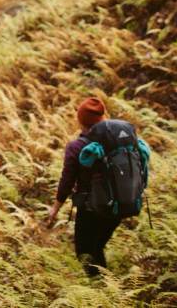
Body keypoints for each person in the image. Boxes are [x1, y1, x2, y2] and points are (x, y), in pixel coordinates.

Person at [45, 97, 136, 277]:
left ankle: (103, 288)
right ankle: (108, 285)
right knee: (97, 246)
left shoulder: (76, 146)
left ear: (80, 121)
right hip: (120, 205)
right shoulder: (119, 139)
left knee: (85, 252)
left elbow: (67, 181)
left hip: (92, 208)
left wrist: (55, 208)